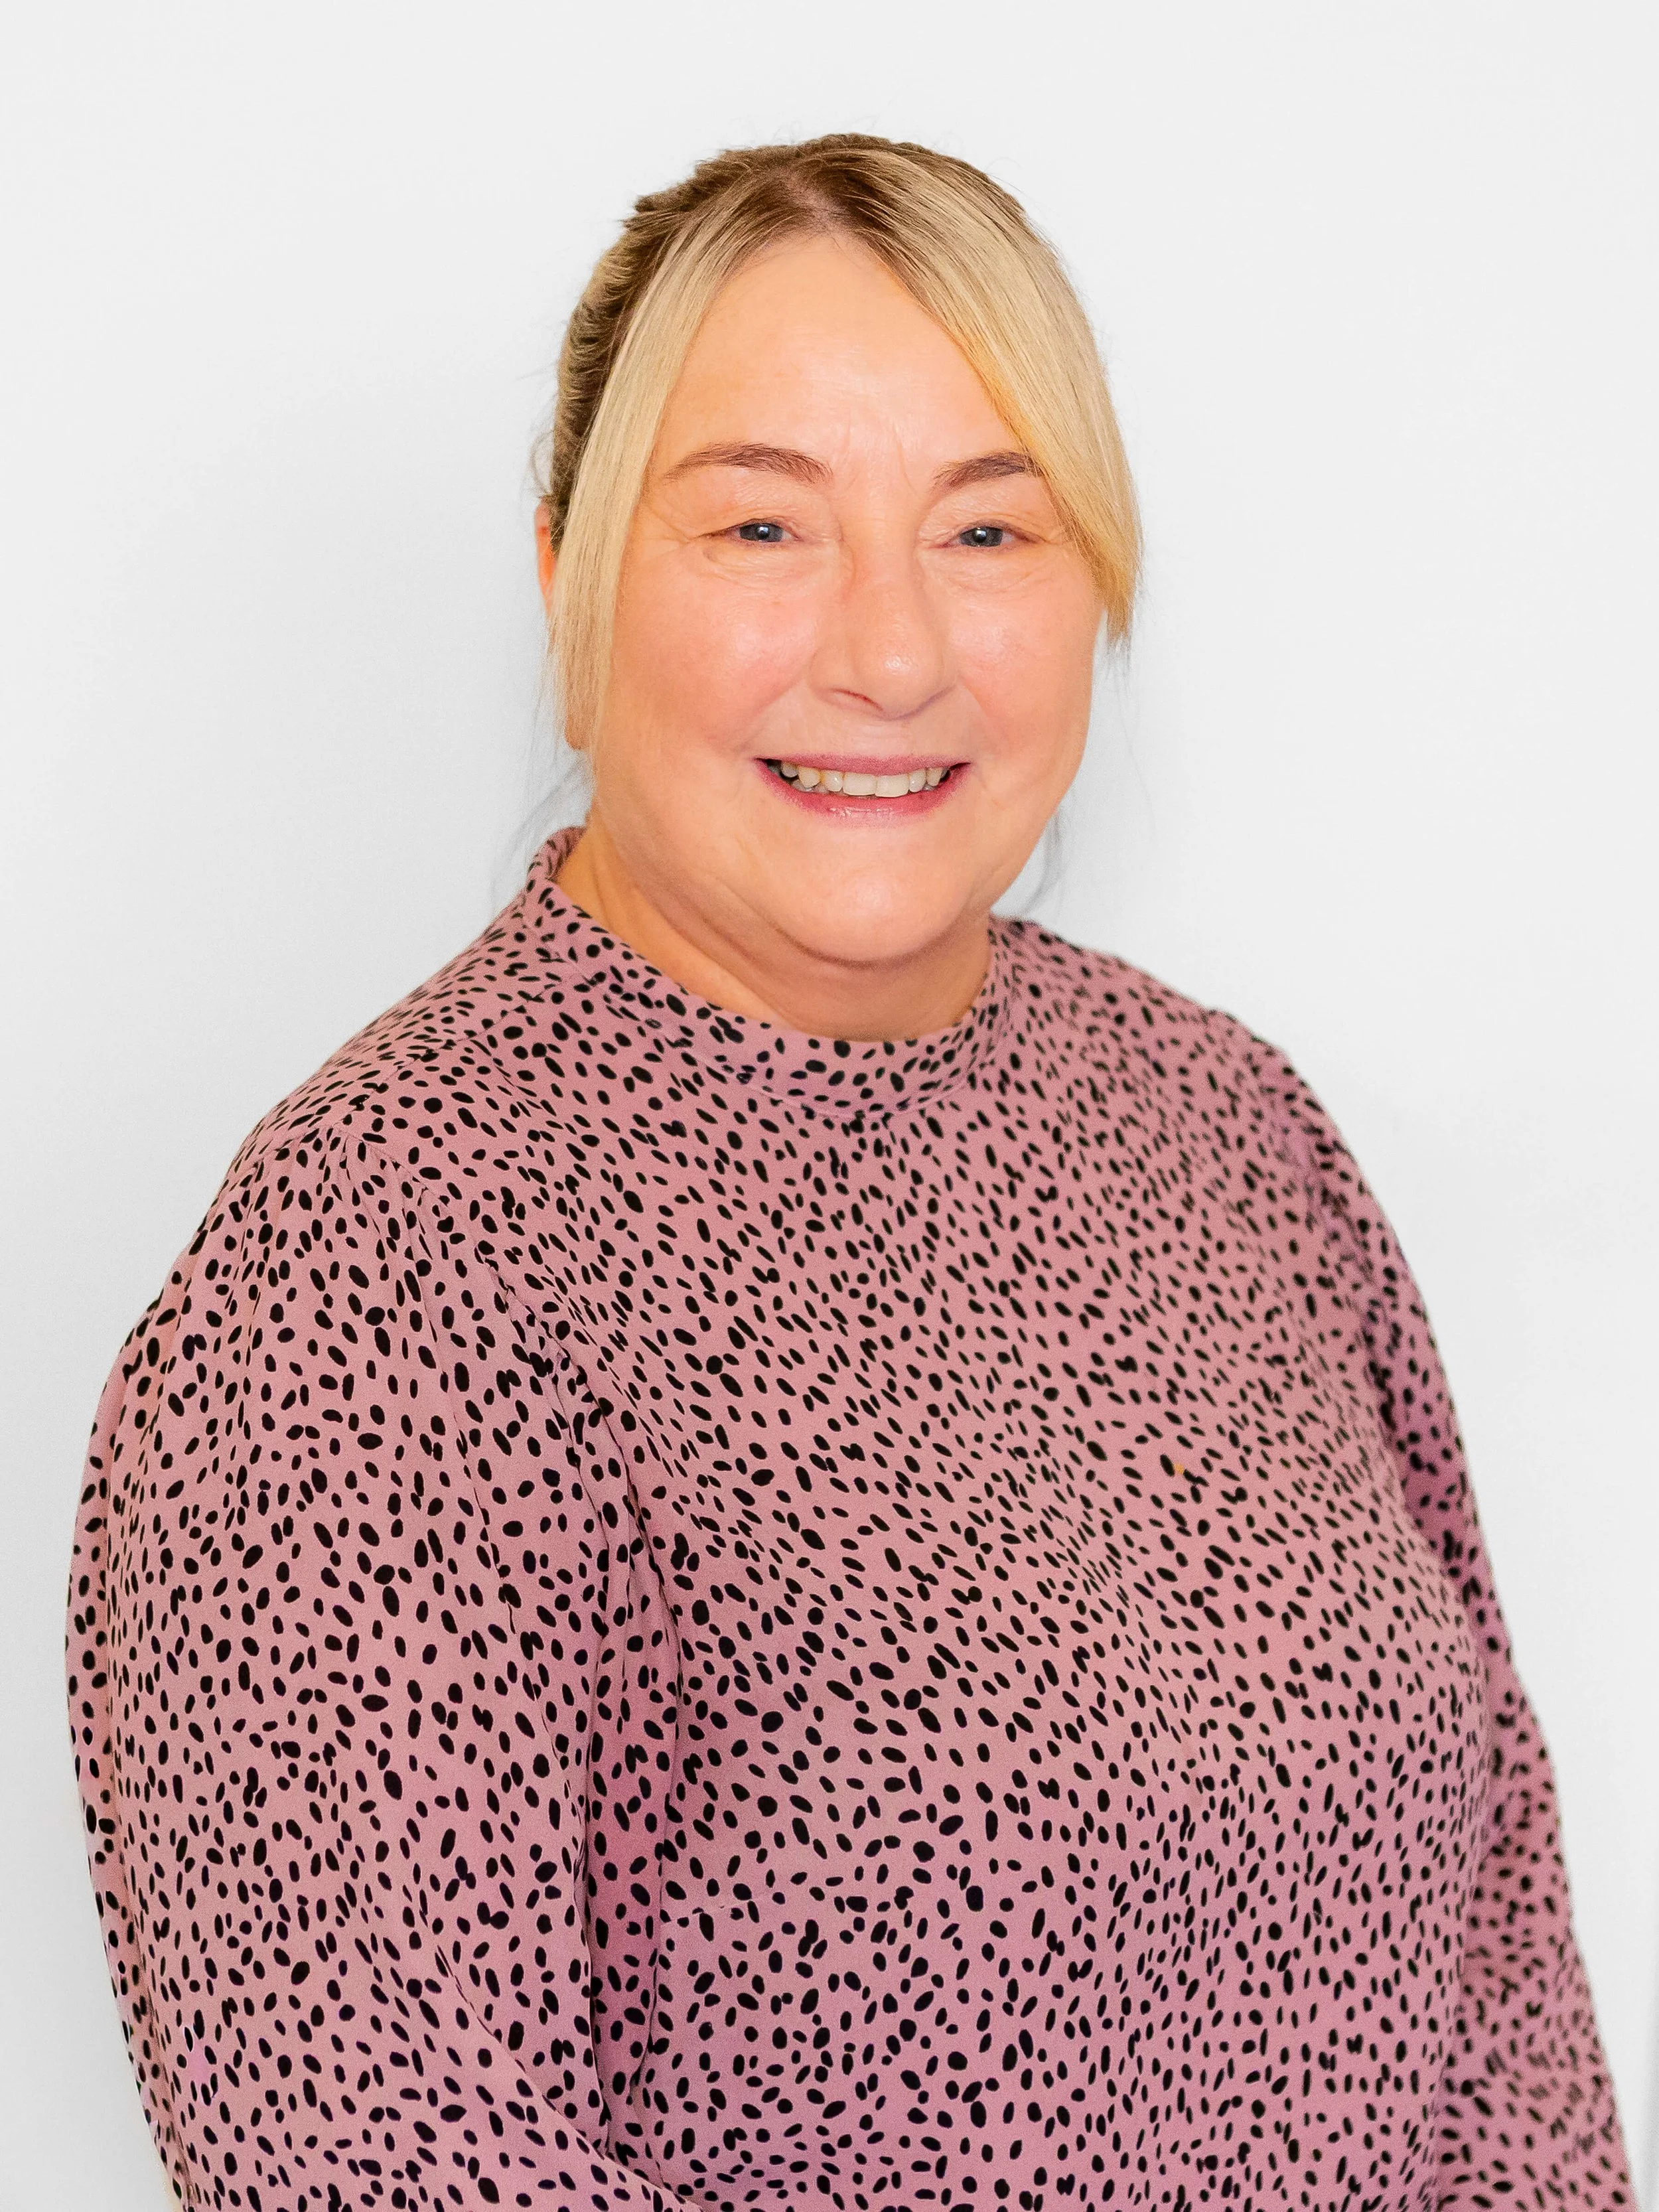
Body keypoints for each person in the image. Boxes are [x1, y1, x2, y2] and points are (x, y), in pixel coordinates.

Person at [66, 134, 1629, 2212]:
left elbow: (1500, 2000)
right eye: (759, 523)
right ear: (572, 574)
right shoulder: (381, 1278)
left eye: (989, 527)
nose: (892, 651)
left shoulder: (1227, 1136)